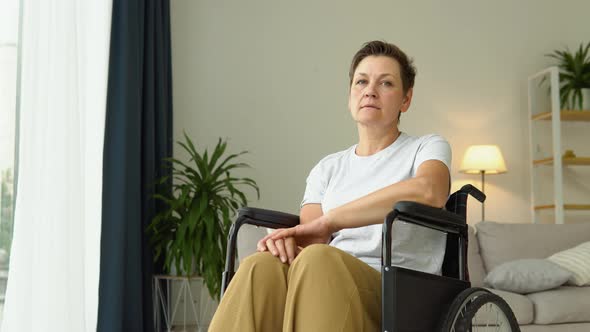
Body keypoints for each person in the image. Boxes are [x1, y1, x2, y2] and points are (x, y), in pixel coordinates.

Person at [208, 40, 451, 332]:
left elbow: (429, 191)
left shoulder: (426, 147)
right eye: (361, 81)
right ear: (350, 95)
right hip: (321, 277)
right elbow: (312, 238)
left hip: (398, 290)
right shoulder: (328, 167)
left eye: (386, 83)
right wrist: (286, 242)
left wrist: (333, 220)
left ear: (406, 99)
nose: (370, 90)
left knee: (319, 260)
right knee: (259, 266)